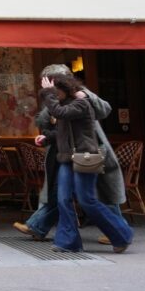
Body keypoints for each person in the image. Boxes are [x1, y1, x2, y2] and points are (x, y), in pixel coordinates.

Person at [13, 64, 123, 244]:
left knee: (98, 194)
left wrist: (83, 96)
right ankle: (44, 228)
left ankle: (118, 231)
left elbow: (104, 109)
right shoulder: (57, 96)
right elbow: (45, 119)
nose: (48, 85)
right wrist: (47, 133)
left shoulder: (80, 96)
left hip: (88, 151)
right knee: (61, 193)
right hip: (64, 151)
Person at [41, 75, 133, 253]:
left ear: (64, 89)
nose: (54, 94)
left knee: (87, 200)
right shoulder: (63, 106)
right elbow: (62, 132)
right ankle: (68, 242)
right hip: (66, 159)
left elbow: (61, 113)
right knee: (63, 200)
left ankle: (123, 234)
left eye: (56, 90)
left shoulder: (81, 103)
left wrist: (48, 93)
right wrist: (46, 138)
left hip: (84, 156)